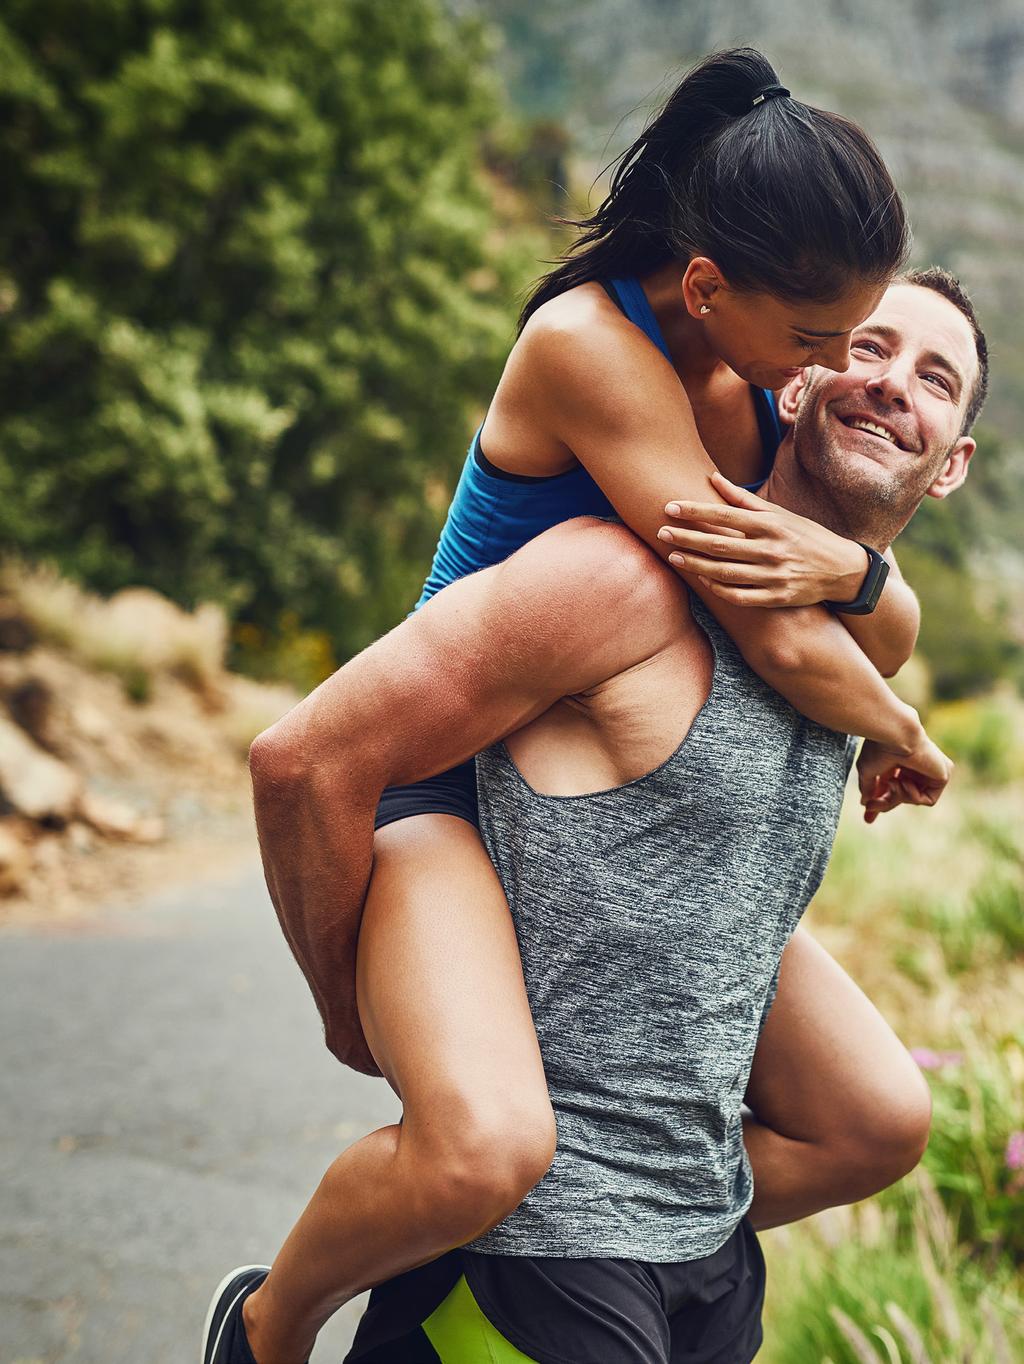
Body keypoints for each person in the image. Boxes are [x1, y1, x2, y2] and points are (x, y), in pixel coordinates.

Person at [201, 269, 988, 1363]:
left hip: (703, 1251)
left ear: (952, 462)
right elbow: (304, 758)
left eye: (933, 375)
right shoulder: (618, 579)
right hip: (537, 1251)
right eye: (866, 347)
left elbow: (856, 624)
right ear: (800, 380)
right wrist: (347, 1003)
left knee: (882, 1116)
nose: (892, 382)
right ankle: (268, 1324)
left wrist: (860, 593)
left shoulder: (864, 637)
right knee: (481, 1150)